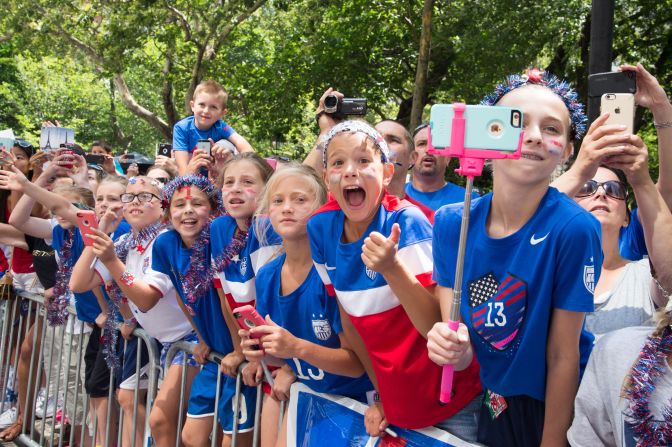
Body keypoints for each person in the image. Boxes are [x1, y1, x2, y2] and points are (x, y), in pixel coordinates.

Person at [427, 69, 603, 446]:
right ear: (486, 135)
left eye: (553, 129)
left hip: (556, 408)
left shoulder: (575, 229)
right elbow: (462, 342)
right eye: (517, 123)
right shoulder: (450, 224)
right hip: (493, 402)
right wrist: (449, 348)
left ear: (568, 151)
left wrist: (552, 441)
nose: (536, 136)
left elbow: (562, 355)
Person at [307, 120, 482, 441]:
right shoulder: (319, 228)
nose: (349, 171)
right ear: (325, 178)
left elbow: (437, 328)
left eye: (363, 161)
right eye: (337, 162)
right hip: (396, 405)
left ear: (387, 174)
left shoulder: (409, 222)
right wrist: (381, 393)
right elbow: (349, 318)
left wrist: (392, 268)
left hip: (451, 404)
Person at [241, 163, 373, 447]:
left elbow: (357, 365)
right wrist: (261, 352)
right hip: (309, 399)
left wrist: (295, 349)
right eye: (278, 201)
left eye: (300, 200)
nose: (287, 208)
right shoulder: (266, 275)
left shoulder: (334, 273)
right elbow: (283, 355)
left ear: (322, 206)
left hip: (356, 407)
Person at [70, 176, 200, 447]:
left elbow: (146, 300)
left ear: (163, 206)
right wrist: (102, 228)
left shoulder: (167, 240)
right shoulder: (126, 241)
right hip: (154, 339)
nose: (135, 202)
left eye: (145, 196)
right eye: (128, 197)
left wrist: (111, 261)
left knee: (166, 421)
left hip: (188, 339)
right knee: (128, 398)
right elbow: (78, 283)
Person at [151, 175, 255, 447]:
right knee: (191, 437)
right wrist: (202, 339)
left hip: (240, 355)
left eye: (197, 203)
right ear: (167, 211)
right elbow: (184, 298)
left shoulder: (220, 237)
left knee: (230, 439)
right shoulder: (164, 244)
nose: (188, 211)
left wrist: (239, 350)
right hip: (214, 356)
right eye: (179, 204)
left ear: (214, 210)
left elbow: (228, 301)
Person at [553, 63, 672, 262]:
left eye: (614, 190)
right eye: (586, 187)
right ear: (567, 207)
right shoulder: (546, 258)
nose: (601, 193)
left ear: (626, 218)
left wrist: (661, 106)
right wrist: (579, 170)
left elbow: (668, 190)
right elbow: (528, 214)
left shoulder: (637, 248)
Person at [172, 80, 254, 175]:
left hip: (216, 177)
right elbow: (182, 170)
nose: (206, 111)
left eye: (213, 107)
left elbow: (245, 147)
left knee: (224, 145)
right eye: (202, 104)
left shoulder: (220, 127)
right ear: (192, 106)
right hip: (191, 177)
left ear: (222, 113)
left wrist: (238, 163)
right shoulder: (181, 128)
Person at [404, 123, 478, 210]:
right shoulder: (394, 196)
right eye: (422, 144)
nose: (428, 150)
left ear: (448, 158)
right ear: (411, 156)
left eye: (436, 145)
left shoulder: (470, 201)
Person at [374, 120, 434, 222]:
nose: (382, 144)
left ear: (412, 158)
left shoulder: (427, 219)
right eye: (375, 139)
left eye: (393, 140)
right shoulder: (343, 208)